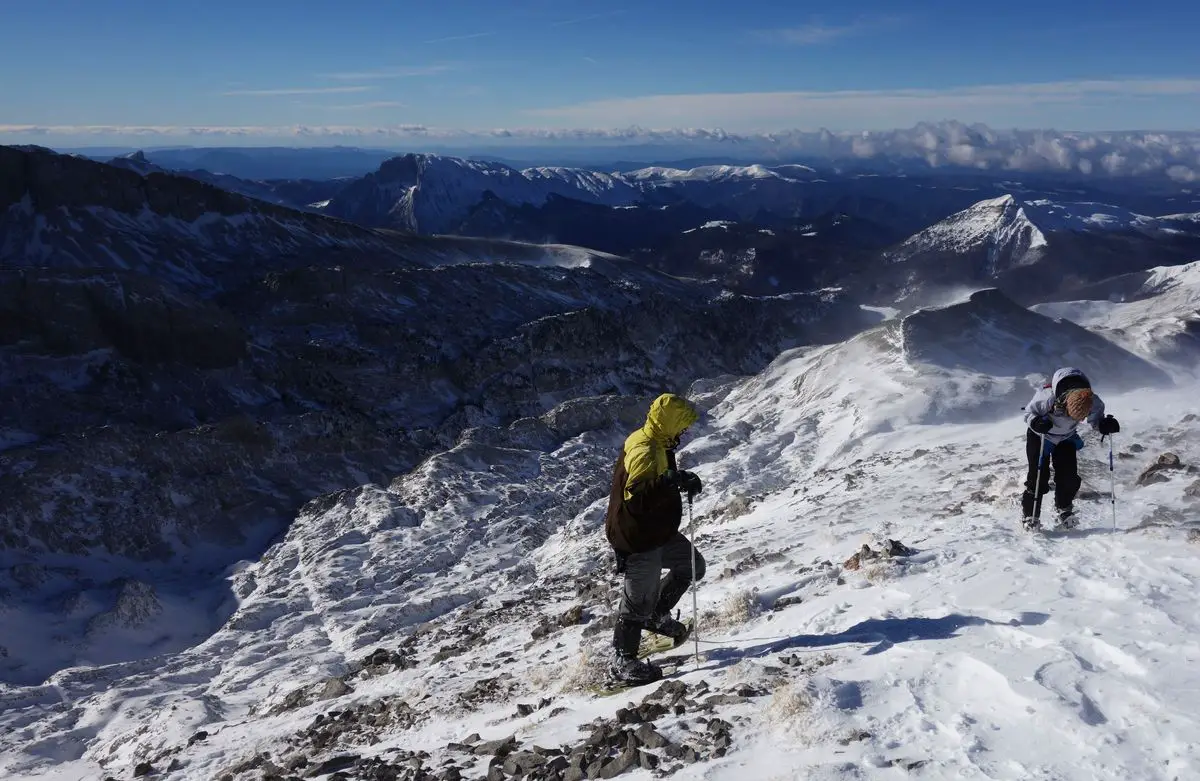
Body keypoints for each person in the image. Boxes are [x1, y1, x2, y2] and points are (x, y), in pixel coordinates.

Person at [604, 392, 706, 685]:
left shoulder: (659, 442)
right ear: (669, 423)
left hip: (657, 530)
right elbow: (636, 499)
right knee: (637, 600)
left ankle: (656, 616)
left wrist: (678, 480)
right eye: (681, 426)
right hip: (639, 537)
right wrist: (667, 483)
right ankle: (622, 662)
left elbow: (658, 483)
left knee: (692, 566)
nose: (684, 432)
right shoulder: (645, 450)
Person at [1021, 367, 1120, 529]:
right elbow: (1028, 414)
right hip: (1041, 436)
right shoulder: (1046, 398)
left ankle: (1064, 509)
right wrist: (1037, 422)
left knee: (1068, 477)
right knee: (1038, 477)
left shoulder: (1091, 400)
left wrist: (1104, 425)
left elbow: (1096, 420)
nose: (1080, 419)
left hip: (1066, 437)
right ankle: (1030, 516)